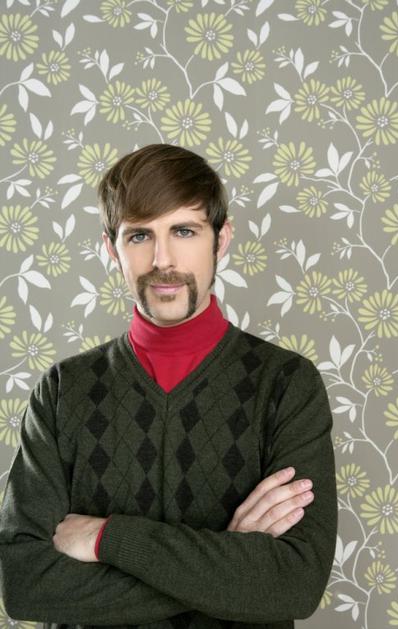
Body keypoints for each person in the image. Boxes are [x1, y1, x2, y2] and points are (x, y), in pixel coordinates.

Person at [0, 143, 337, 629]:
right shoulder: (61, 391)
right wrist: (229, 564)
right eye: (140, 235)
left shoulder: (286, 384)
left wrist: (107, 538)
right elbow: (25, 583)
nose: (163, 259)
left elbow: (294, 584)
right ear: (111, 248)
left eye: (184, 231)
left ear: (221, 238)